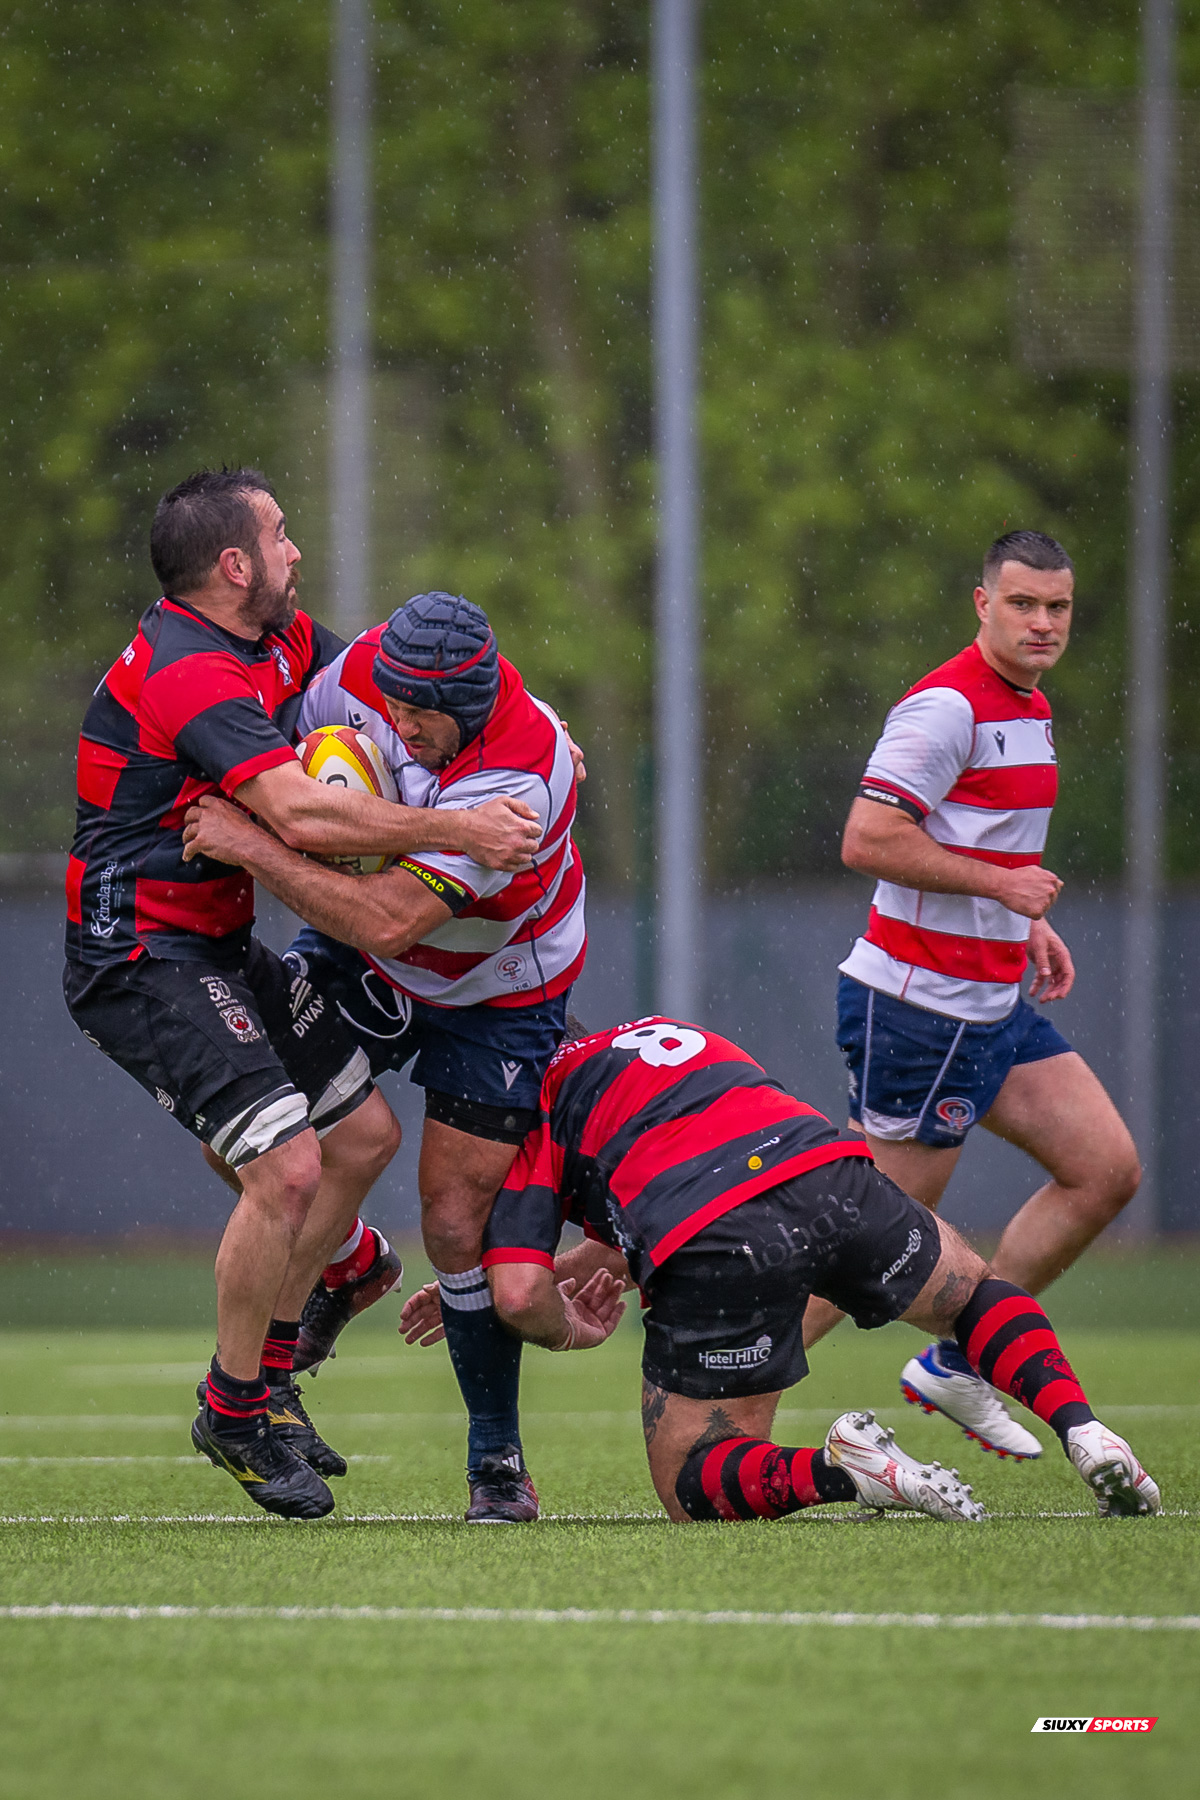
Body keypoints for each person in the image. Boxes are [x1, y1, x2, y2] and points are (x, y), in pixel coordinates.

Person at [63, 468, 541, 1520]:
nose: (295, 550)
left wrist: (534, 737)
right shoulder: (190, 670)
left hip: (217, 944)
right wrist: (462, 825)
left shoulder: (277, 637)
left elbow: (400, 675)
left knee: (361, 1138)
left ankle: (290, 1352)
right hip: (137, 956)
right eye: (279, 535)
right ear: (234, 565)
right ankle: (233, 1412)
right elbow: (300, 815)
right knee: (286, 1166)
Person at [403, 1017, 1159, 1523]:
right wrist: (519, 1280)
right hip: (825, 1173)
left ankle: (848, 1471)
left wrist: (560, 1324)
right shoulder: (657, 1038)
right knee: (971, 1295)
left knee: (693, 1478)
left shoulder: (524, 1107)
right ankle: (1085, 1429)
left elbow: (520, 1294)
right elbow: (654, 1182)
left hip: (715, 1234)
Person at [182, 591, 585, 1521]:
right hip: (367, 958)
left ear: (472, 706)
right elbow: (276, 737)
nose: (399, 726)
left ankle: (495, 1459)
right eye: (391, 707)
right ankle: (353, 1260)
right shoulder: (369, 668)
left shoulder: (522, 776)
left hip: (496, 988)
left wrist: (251, 845)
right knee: (243, 1143)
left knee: (454, 1222)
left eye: (420, 717)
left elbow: (391, 920)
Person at [827, 529, 1141, 1459]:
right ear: (983, 604)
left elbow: (981, 841)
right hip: (921, 1009)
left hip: (992, 1001)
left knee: (1104, 1169)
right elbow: (868, 838)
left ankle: (960, 1364)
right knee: (870, 1243)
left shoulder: (1029, 706)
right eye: (1023, 604)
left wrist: (1019, 919)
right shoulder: (945, 707)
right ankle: (722, 1387)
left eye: (1058, 607)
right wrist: (1003, 886)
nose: (1043, 622)